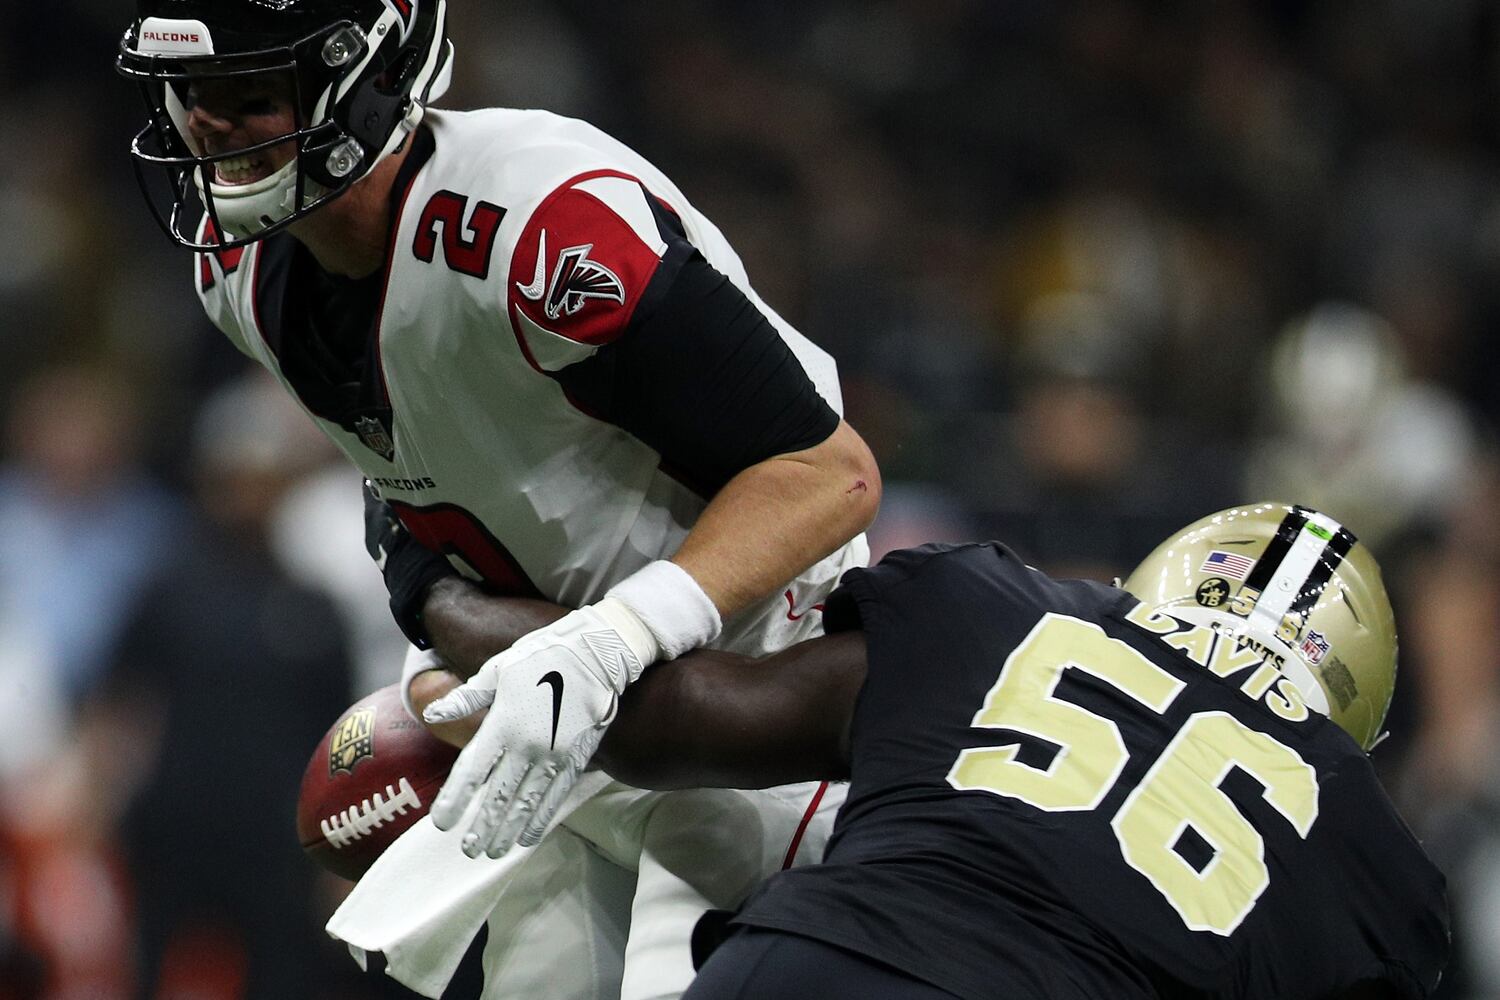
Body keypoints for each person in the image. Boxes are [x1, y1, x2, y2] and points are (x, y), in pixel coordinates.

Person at [116, 2, 879, 997]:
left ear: (374, 76)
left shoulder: (537, 225)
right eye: (192, 93)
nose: (210, 126)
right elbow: (415, 463)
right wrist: (442, 621)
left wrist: (615, 637)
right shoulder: (238, 268)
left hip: (748, 696)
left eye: (250, 91)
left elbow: (828, 473)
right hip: (556, 725)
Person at [591, 503, 1451, 999]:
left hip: (810, 964)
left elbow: (678, 716)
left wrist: (522, 641)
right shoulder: (1371, 855)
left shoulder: (995, 603)